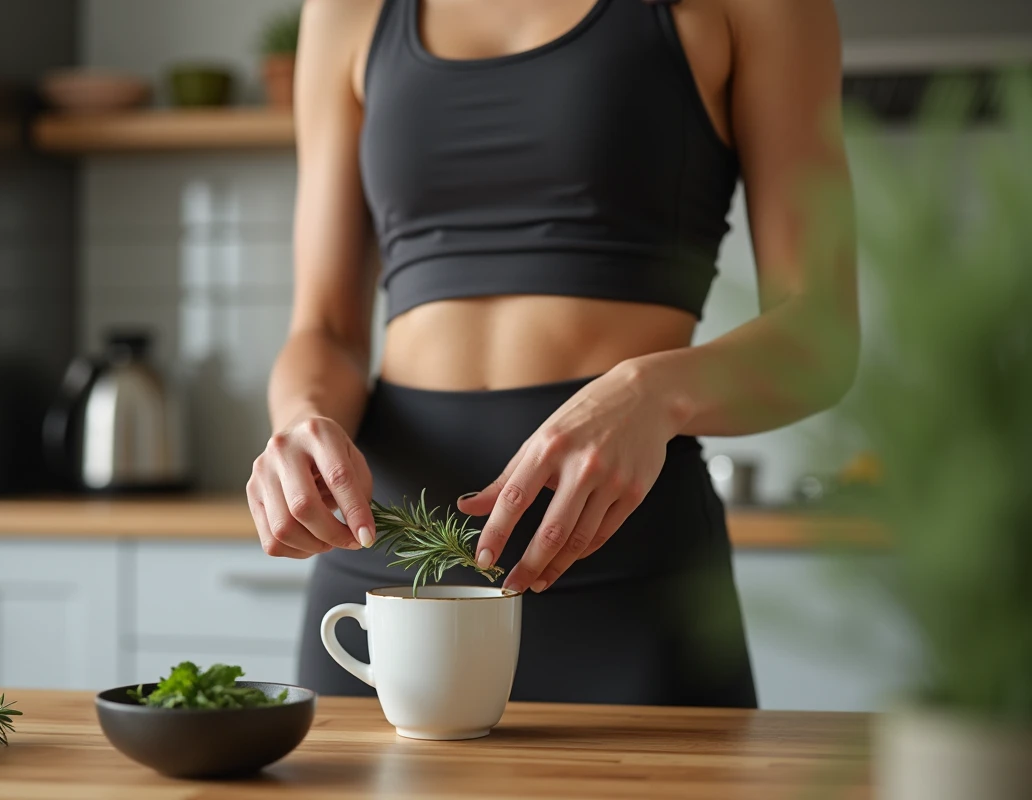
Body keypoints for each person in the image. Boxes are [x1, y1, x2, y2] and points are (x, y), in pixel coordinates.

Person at [247, 0, 858, 706]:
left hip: (627, 581)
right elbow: (324, 328)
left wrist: (649, 392)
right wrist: (300, 419)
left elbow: (821, 336)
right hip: (386, 581)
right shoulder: (346, 12)